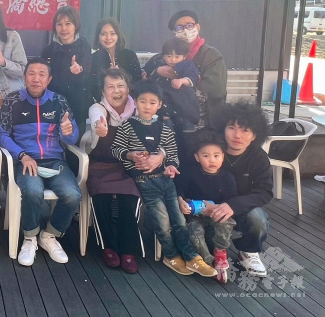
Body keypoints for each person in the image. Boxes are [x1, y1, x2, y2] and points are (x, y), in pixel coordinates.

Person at [111, 80, 216, 277]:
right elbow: (116, 149)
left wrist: (171, 166)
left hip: (166, 180)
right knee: (162, 221)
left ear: (159, 105)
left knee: (179, 220)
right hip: (143, 180)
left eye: (152, 102)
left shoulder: (165, 128)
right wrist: (130, 155)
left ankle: (192, 257)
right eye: (142, 101)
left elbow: (173, 156)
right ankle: (171, 255)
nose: (147, 106)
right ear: (135, 103)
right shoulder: (127, 126)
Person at [0, 58, 81, 267]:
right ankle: (30, 237)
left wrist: (69, 132)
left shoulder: (59, 101)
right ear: (24, 77)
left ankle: (49, 235)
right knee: (33, 191)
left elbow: (71, 138)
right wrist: (21, 155)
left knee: (72, 195)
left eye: (42, 74)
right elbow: (1, 134)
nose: (36, 78)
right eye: (31, 73)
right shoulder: (13, 101)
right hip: (26, 160)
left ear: (49, 79)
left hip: (55, 161)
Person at [83, 68, 141, 274]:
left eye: (120, 86)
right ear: (103, 91)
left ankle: (128, 250)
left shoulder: (138, 110)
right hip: (99, 165)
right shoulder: (98, 108)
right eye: (110, 87)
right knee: (101, 196)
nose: (116, 91)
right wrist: (99, 128)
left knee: (130, 198)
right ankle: (108, 246)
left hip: (127, 166)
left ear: (128, 88)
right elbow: (96, 118)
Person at [206, 102, 272, 277]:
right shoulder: (211, 150)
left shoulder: (258, 157)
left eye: (245, 130)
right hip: (207, 207)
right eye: (231, 128)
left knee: (258, 218)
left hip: (241, 208)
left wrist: (233, 205)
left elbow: (264, 192)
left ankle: (249, 251)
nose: (237, 135)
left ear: (254, 135)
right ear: (223, 128)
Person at [175, 129, 237, 283]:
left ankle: (220, 252)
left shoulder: (227, 177)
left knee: (226, 221)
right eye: (206, 156)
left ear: (223, 156)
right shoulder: (190, 173)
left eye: (216, 155)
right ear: (197, 157)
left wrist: (215, 208)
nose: (212, 160)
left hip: (217, 213)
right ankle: (207, 261)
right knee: (194, 231)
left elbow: (231, 201)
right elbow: (179, 189)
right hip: (195, 216)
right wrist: (181, 200)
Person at [146, 10, 226, 127]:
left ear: (198, 27)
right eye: (179, 27)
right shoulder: (163, 57)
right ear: (174, 32)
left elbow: (214, 89)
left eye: (189, 25)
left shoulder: (211, 55)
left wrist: (180, 84)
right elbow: (145, 81)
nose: (185, 30)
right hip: (167, 119)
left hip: (202, 120)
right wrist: (156, 72)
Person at [41, 6, 93, 138]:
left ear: (76, 25)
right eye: (59, 24)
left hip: (77, 104)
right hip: (53, 104)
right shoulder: (48, 50)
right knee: (52, 140)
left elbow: (88, 74)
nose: (63, 28)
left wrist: (80, 70)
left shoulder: (84, 47)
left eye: (68, 24)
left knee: (75, 141)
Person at [142, 38, 200, 131]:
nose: (172, 60)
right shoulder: (157, 61)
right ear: (163, 55)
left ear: (184, 57)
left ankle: (187, 124)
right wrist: (145, 73)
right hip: (160, 93)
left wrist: (182, 81)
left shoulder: (187, 65)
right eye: (169, 56)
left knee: (185, 105)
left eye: (177, 57)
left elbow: (193, 77)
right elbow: (146, 70)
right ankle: (166, 122)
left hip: (180, 95)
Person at [90, 18, 143, 98]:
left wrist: (121, 75)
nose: (108, 38)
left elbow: (138, 82)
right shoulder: (93, 58)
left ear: (118, 35)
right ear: (98, 36)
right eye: (103, 34)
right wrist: (107, 75)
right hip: (103, 102)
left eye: (112, 33)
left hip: (128, 101)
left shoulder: (129, 55)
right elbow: (92, 87)